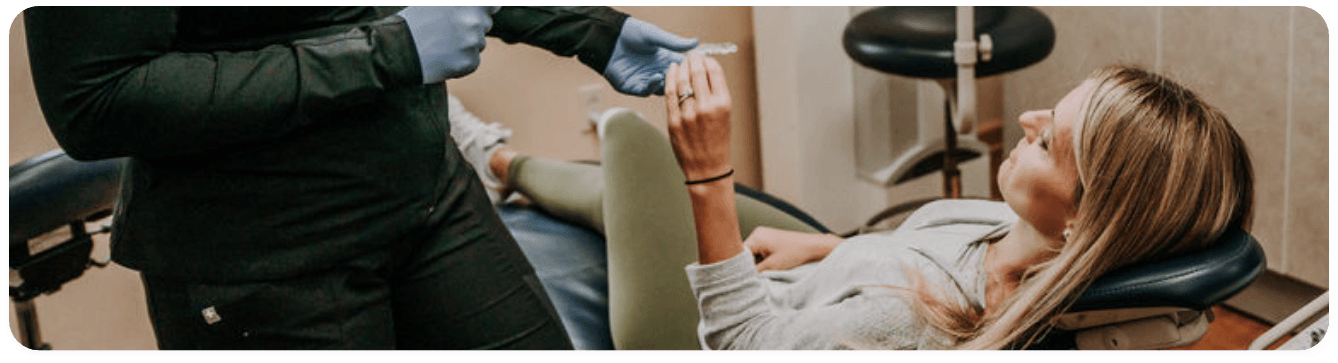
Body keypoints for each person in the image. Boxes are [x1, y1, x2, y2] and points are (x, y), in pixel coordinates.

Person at [449, 53, 1255, 350]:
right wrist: (831, 245)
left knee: (632, 143)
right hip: (829, 271)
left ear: (1085, 218)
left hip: (704, 328)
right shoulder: (1021, 244)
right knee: (628, 179)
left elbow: (742, 340)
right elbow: (911, 246)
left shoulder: (915, 313)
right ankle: (502, 159)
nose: (1030, 118)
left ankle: (496, 156)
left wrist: (709, 178)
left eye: (1052, 141)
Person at [24, 5, 697, 350]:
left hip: (429, 197)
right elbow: (96, 99)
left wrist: (588, 31)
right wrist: (386, 50)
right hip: (267, 261)